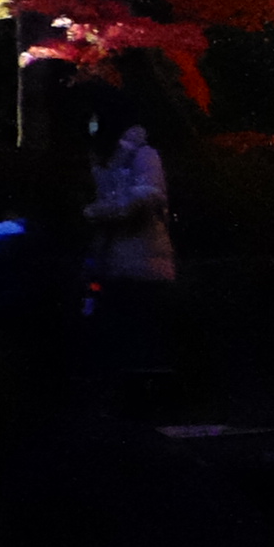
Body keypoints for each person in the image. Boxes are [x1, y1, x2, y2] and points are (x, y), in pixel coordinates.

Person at [84, 101, 178, 394]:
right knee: (123, 333)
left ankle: (146, 396)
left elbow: (147, 197)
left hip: (143, 261)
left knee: (141, 332)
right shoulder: (105, 160)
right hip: (115, 261)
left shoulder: (142, 155)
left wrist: (101, 211)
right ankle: (127, 394)